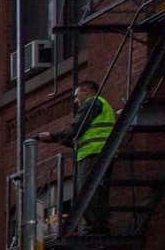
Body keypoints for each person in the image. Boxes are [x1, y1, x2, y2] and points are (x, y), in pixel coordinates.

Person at [40, 79, 115, 232]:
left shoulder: (92, 102)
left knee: (85, 191)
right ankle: (98, 226)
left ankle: (92, 228)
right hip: (100, 153)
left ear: (86, 91)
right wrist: (59, 139)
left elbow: (76, 129)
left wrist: (52, 136)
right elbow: (79, 135)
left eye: (76, 96)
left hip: (92, 153)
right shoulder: (103, 106)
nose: (75, 101)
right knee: (97, 192)